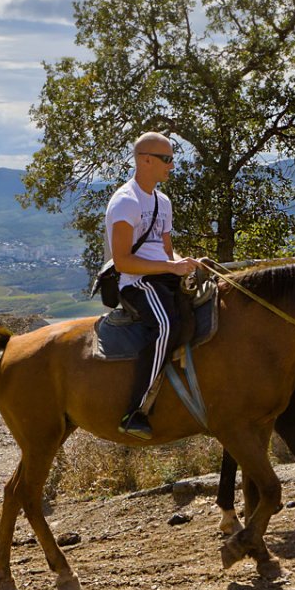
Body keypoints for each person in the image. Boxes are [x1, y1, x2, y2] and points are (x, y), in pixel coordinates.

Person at [105, 132, 200, 439]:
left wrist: (188, 262)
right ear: (145, 159)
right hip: (137, 282)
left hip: (163, 275)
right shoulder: (125, 202)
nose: (172, 166)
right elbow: (122, 262)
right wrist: (169, 267)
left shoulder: (163, 201)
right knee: (165, 327)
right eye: (167, 159)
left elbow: (167, 249)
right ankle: (136, 410)